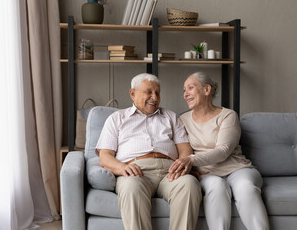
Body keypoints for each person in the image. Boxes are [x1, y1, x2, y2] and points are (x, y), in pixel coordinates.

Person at [96, 73, 202, 230]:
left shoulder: (171, 117)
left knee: (189, 184)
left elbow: (185, 149)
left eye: (157, 93)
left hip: (170, 171)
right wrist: (122, 168)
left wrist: (182, 164)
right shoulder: (116, 118)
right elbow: (105, 157)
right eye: (149, 92)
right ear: (133, 93)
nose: (154, 97)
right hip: (136, 171)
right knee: (131, 187)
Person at [169, 72, 270, 230]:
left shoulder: (228, 115)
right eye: (184, 90)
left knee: (245, 188)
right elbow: (179, 150)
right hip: (207, 174)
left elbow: (223, 150)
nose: (185, 94)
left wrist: (191, 160)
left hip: (237, 169)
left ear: (206, 89)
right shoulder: (182, 120)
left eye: (190, 88)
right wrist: (188, 168)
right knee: (217, 187)